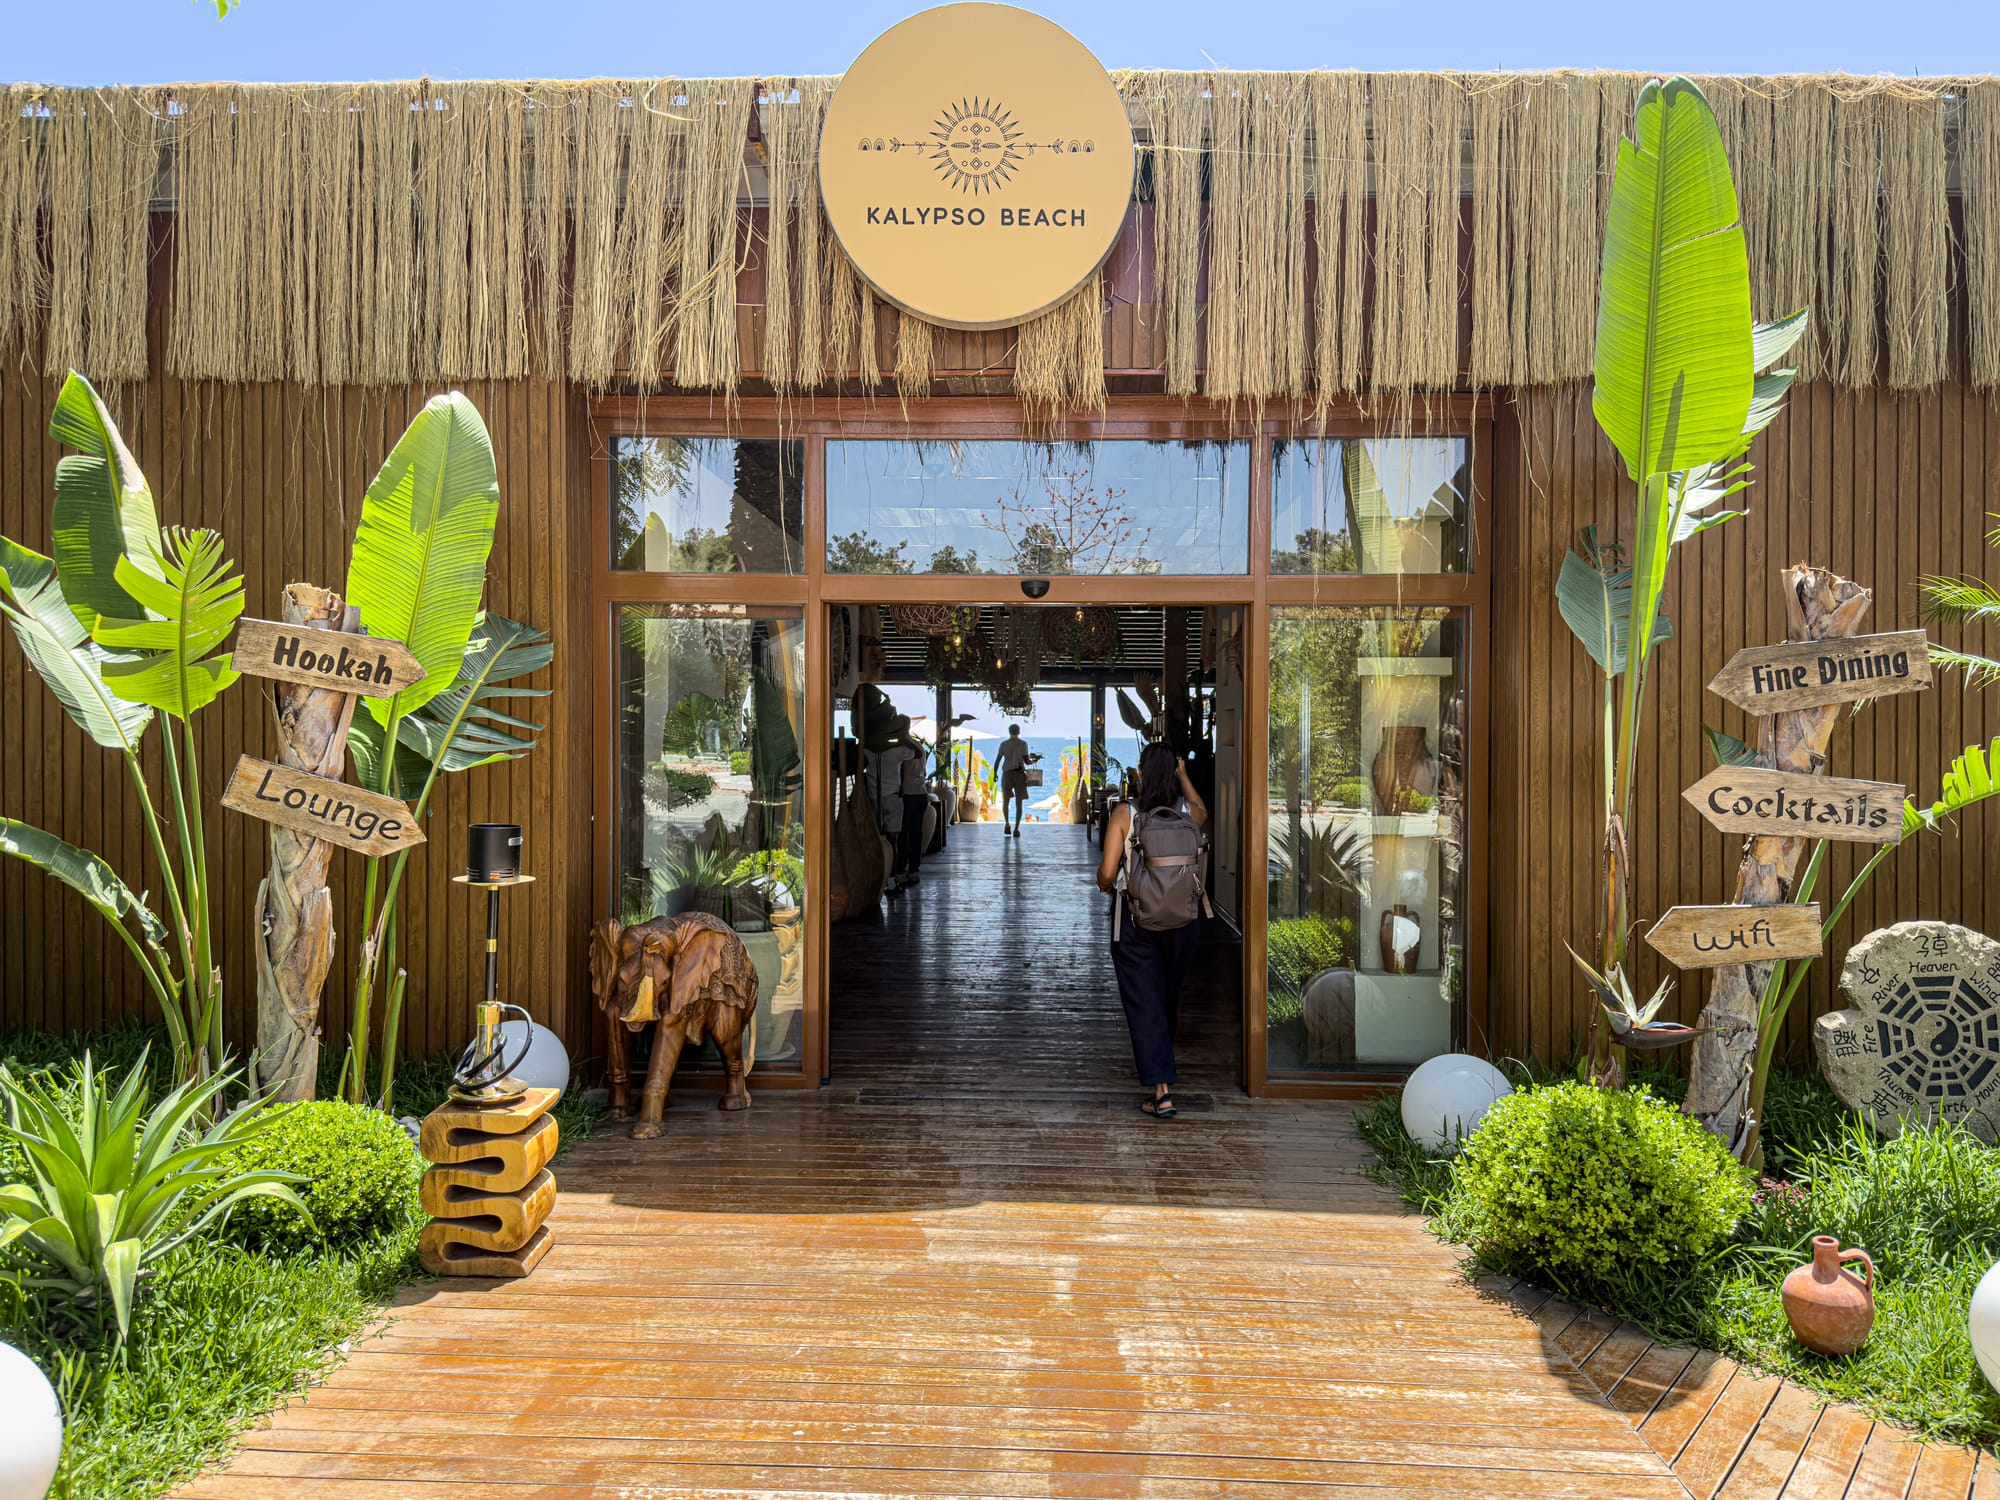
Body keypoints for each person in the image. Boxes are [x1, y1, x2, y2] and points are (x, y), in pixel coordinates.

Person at [1097, 743, 1208, 1120]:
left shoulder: (1125, 813)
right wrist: (1184, 776)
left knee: (1144, 1002)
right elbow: (1203, 810)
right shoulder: (1186, 814)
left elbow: (1107, 873)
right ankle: (1161, 1071)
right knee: (1165, 998)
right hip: (1183, 922)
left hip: (1135, 920)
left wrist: (1105, 885)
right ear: (1174, 772)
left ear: (1140, 773)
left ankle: (1162, 1091)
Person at [989, 723, 1040, 838]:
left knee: (1006, 801)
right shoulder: (1023, 744)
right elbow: (1027, 761)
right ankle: (1016, 829)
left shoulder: (1004, 744)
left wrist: (995, 774)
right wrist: (1034, 760)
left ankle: (1007, 823)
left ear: (1009, 731)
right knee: (1019, 803)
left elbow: (997, 760)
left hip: (1007, 774)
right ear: (1019, 731)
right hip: (1019, 774)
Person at [895, 740, 930, 885]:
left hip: (908, 795)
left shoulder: (902, 749)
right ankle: (914, 870)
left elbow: (900, 773)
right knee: (916, 834)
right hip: (921, 793)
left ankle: (901, 870)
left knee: (903, 834)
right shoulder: (920, 747)